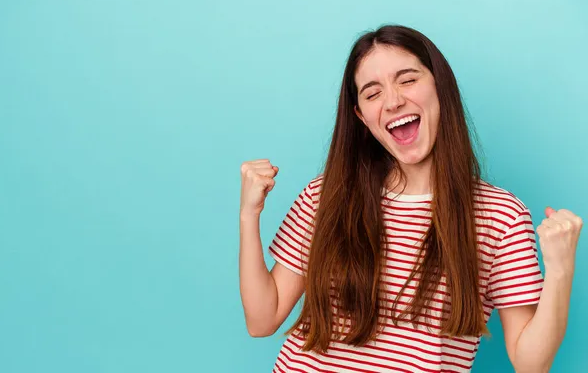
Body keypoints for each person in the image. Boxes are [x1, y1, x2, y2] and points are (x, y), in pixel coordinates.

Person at [238, 25, 583, 373]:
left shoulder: (500, 216)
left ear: (439, 86)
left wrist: (560, 269)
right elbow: (262, 319)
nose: (393, 101)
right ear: (361, 117)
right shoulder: (326, 195)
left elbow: (531, 364)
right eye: (372, 94)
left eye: (407, 80)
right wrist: (248, 215)